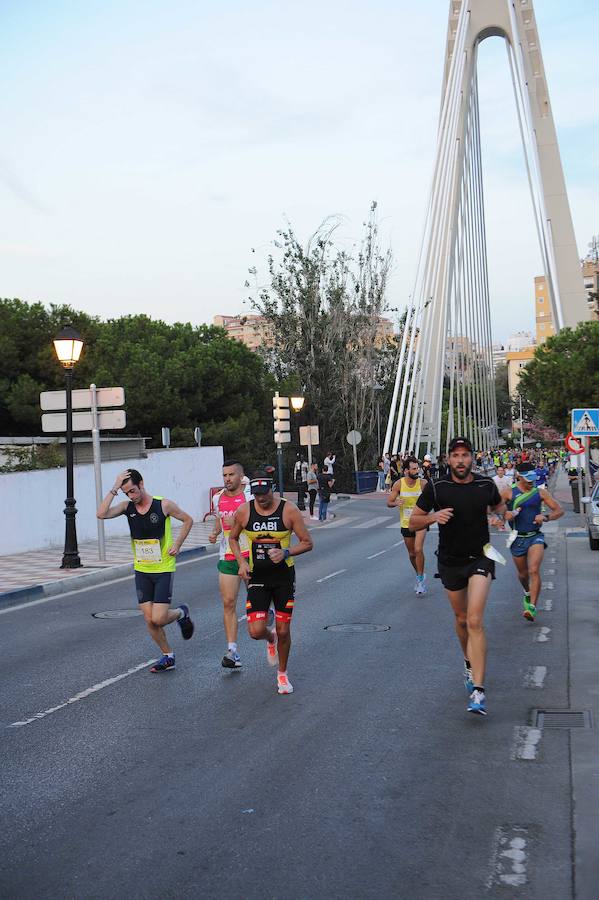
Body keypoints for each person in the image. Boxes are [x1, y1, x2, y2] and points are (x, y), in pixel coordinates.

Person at [410, 437, 506, 716]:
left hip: (481, 558)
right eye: (456, 455)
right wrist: (432, 517)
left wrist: (502, 515)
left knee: (475, 619)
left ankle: (479, 690)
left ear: (472, 458)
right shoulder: (438, 488)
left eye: (466, 455)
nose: (461, 460)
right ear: (448, 459)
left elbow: (500, 507)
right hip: (450, 561)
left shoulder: (485, 485)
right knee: (462, 619)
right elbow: (414, 519)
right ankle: (468, 660)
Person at [97, 469, 195, 672]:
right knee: (149, 620)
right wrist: (115, 488)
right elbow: (101, 514)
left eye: (132, 491)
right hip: (142, 569)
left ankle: (180, 613)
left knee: (158, 618)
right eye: (127, 493)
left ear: (141, 484)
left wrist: (177, 544)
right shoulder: (127, 507)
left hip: (163, 568)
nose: (131, 496)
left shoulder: (163, 505)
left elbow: (188, 520)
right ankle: (168, 655)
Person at [228, 472, 313, 694]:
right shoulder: (245, 511)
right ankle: (270, 637)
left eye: (264, 494)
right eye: (256, 495)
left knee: (285, 630)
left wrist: (286, 552)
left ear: (272, 490)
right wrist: (242, 563)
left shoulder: (289, 510)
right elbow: (233, 538)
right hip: (257, 577)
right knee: (256, 631)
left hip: (283, 576)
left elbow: (307, 543)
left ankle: (282, 675)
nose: (261, 499)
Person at [208, 460, 252, 669]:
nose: (227, 479)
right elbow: (220, 519)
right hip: (227, 555)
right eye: (224, 475)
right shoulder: (218, 498)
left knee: (256, 602)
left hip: (250, 556)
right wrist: (215, 532)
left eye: (231, 475)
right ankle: (232, 651)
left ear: (241, 477)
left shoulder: (249, 496)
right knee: (228, 602)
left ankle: (267, 615)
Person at [503, 470, 563, 621]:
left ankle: (532, 608)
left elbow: (559, 510)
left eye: (533, 479)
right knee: (523, 575)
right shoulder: (508, 492)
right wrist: (504, 515)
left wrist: (546, 517)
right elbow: (492, 508)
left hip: (535, 536)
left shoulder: (540, 493)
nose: (531, 482)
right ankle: (527, 592)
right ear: (519, 477)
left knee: (534, 570)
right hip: (517, 539)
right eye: (528, 479)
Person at [387, 456, 428, 594]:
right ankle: (419, 574)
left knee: (418, 549)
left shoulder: (423, 484)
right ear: (406, 471)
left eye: (418, 468)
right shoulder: (399, 484)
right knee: (411, 554)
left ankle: (421, 580)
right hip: (406, 522)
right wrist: (395, 503)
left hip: (421, 521)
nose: (417, 471)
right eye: (414, 469)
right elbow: (389, 502)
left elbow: (433, 499)